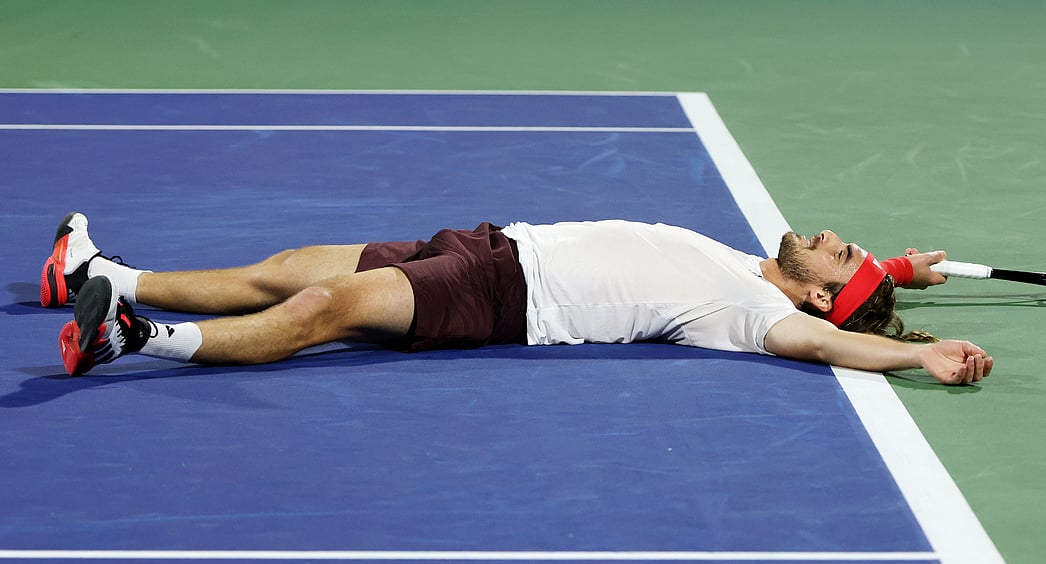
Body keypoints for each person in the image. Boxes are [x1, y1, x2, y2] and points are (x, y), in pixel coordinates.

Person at [40, 213, 993, 385]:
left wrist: (913, 351)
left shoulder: (754, 316)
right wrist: (896, 276)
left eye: (846, 254)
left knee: (319, 308)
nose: (833, 235)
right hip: (493, 243)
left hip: (501, 294)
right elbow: (850, 303)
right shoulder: (752, 266)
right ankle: (100, 278)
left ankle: (138, 337)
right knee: (291, 265)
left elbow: (828, 346)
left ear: (826, 295)